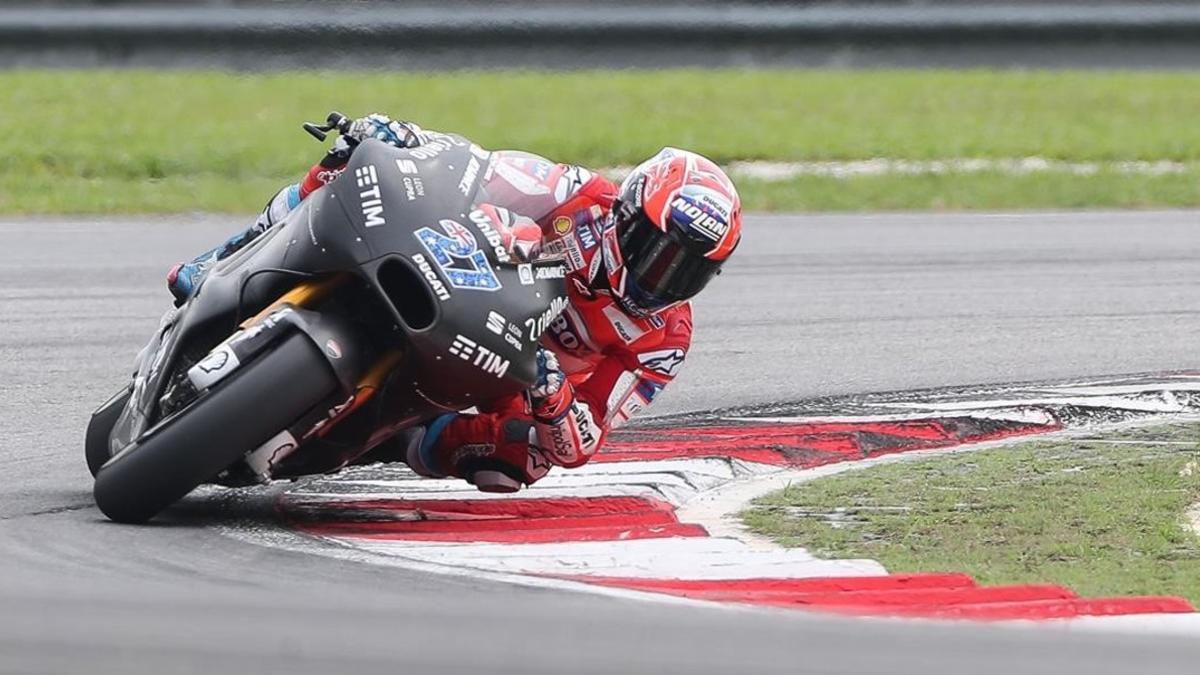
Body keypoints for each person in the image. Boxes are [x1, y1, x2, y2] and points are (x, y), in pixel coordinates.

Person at [168, 114, 743, 493]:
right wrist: (400, 135)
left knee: (524, 460)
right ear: (628, 212)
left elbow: (583, 441)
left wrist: (549, 388)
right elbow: (470, 164)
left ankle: (391, 440)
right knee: (349, 162)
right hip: (458, 284)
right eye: (658, 253)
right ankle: (222, 257)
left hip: (502, 371)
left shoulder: (663, 341)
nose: (661, 279)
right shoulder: (576, 194)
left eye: (688, 272)